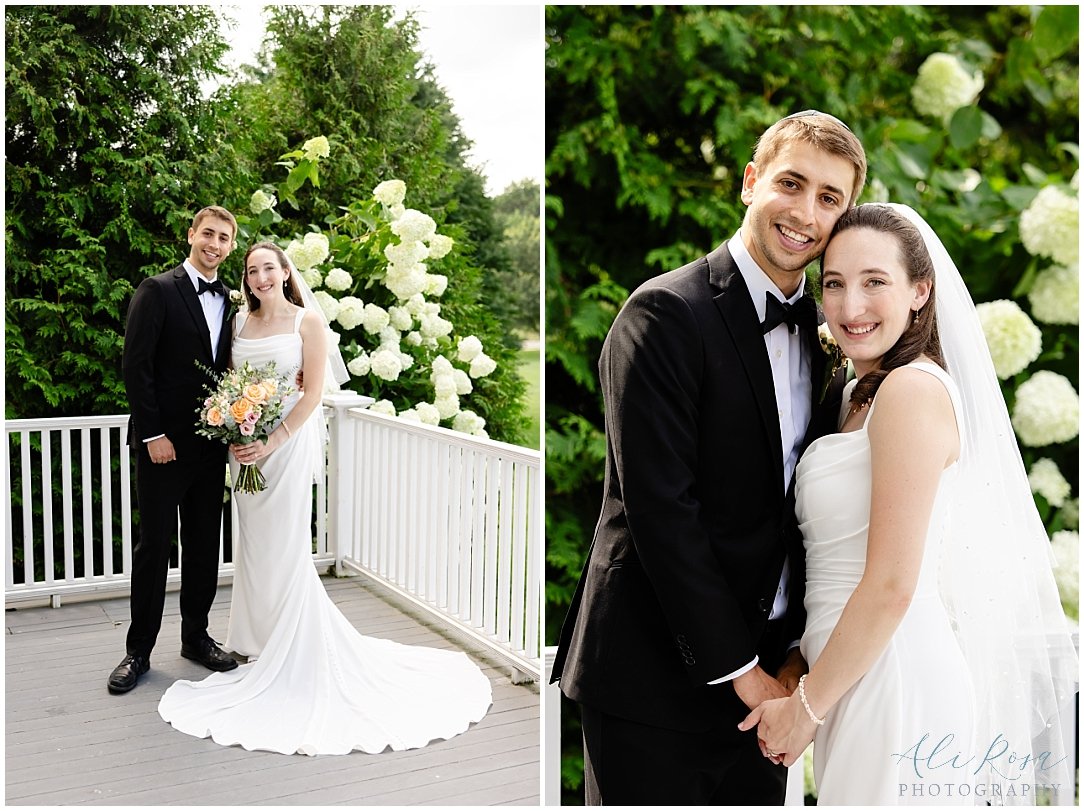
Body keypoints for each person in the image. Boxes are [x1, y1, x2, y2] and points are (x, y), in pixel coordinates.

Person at [550, 111, 867, 804]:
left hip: (771, 695)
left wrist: (790, 664)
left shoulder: (830, 340)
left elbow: (801, 517)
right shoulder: (663, 314)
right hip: (653, 680)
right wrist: (742, 669)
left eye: (829, 198)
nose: (805, 212)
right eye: (791, 182)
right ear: (751, 182)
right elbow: (663, 511)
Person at [742, 204, 1077, 805]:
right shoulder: (852, 396)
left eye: (875, 282)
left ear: (920, 290)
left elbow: (894, 581)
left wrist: (806, 710)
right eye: (835, 283)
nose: (850, 307)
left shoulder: (912, 391)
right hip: (848, 676)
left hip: (893, 677)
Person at [157, 242, 492, 755]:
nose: (260, 277)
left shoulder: (305, 322)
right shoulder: (238, 325)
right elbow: (231, 383)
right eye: (251, 271)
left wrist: (272, 438)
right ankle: (255, 639)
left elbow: (312, 392)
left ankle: (292, 645)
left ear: (285, 272)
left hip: (285, 446)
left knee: (286, 542)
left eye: (269, 268)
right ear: (245, 280)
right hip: (245, 448)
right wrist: (236, 427)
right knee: (254, 542)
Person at [110, 206, 241, 694]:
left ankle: (196, 638)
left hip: (210, 447)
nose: (215, 243)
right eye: (208, 233)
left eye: (224, 238)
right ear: (191, 235)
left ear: (230, 247)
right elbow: (136, 366)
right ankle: (138, 651)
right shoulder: (158, 289)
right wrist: (152, 434)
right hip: (162, 446)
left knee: (205, 545)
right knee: (153, 547)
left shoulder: (229, 301)